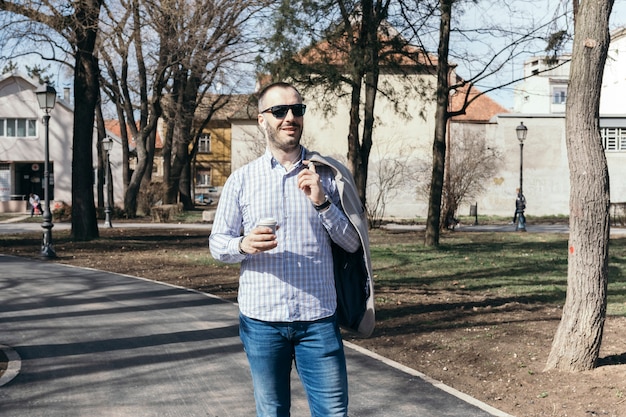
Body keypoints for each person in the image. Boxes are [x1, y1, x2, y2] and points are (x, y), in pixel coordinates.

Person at [209, 81, 370, 417]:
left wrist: (323, 203)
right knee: (272, 411)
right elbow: (217, 244)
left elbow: (353, 244)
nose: (290, 117)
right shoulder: (241, 180)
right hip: (262, 320)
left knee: (333, 412)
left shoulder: (326, 175)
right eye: (279, 111)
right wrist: (243, 244)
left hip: (318, 320)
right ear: (262, 120)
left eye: (297, 110)